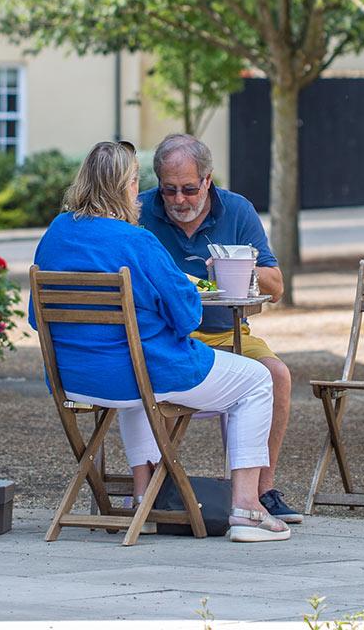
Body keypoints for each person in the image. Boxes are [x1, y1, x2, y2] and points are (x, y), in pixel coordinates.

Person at [32, 140, 290, 542]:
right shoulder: (136, 240)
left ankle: (144, 499)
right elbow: (188, 316)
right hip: (140, 374)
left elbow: (36, 317)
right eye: (137, 182)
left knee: (137, 384)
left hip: (74, 379)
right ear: (126, 186)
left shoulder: (56, 233)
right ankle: (246, 507)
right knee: (258, 379)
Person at [136, 133, 301, 525]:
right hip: (170, 333)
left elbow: (276, 285)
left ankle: (261, 490)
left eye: (190, 189)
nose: (178, 200)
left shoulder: (237, 211)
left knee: (277, 374)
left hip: (228, 331)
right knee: (151, 374)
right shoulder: (139, 211)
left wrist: (240, 274)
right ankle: (162, 488)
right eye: (169, 190)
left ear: (208, 180)